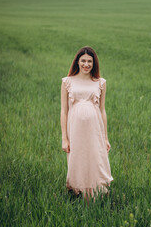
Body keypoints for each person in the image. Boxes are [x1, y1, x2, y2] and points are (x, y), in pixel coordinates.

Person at [60, 46, 113, 200]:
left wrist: (105, 137)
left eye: (90, 61)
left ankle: (96, 193)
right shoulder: (67, 82)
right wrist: (65, 138)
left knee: (96, 157)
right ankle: (77, 192)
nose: (86, 64)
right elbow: (64, 111)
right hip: (75, 129)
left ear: (94, 63)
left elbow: (102, 110)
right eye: (83, 61)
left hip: (94, 129)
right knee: (78, 157)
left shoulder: (100, 83)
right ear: (77, 62)